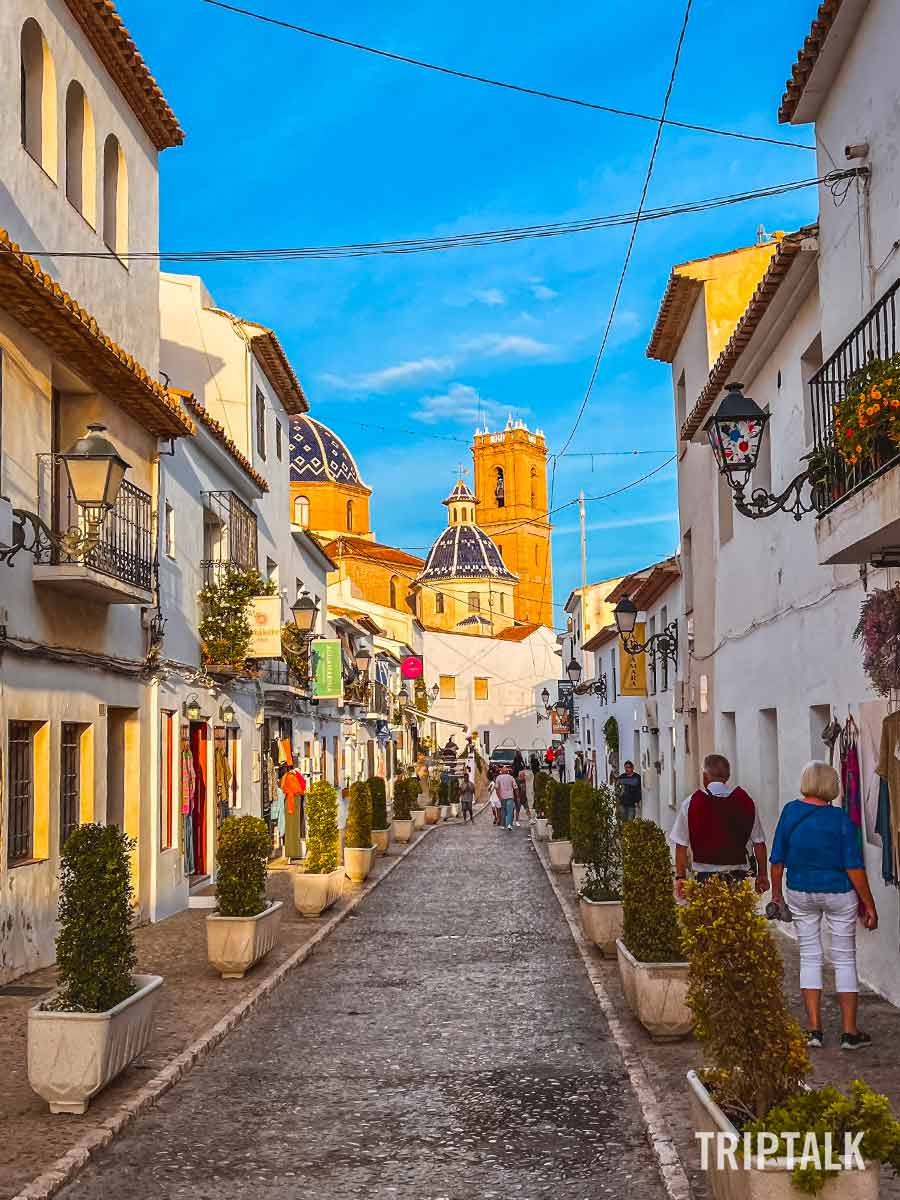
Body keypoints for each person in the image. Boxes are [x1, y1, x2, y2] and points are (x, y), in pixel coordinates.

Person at [770, 760, 877, 1051]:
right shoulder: (840, 819)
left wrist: (777, 896)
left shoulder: (791, 813)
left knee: (809, 956)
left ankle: (814, 1030)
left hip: (801, 892)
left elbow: (777, 859)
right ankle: (849, 1033)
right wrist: (869, 904)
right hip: (838, 894)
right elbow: (853, 866)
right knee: (844, 959)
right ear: (831, 785)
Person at [671, 752, 769, 900]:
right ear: (727, 776)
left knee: (707, 920)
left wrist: (680, 877)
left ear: (705, 776)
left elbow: (681, 844)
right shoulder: (746, 802)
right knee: (736, 920)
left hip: (705, 878)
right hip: (738, 876)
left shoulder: (691, 803)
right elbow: (759, 842)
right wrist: (762, 874)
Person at [494, 765, 517, 831]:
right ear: (507, 772)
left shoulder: (498, 777)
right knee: (510, 811)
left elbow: (496, 788)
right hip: (510, 796)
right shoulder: (511, 777)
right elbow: (515, 787)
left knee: (503, 810)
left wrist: (499, 797)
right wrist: (516, 796)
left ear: (501, 772)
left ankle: (503, 825)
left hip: (502, 797)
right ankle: (509, 825)